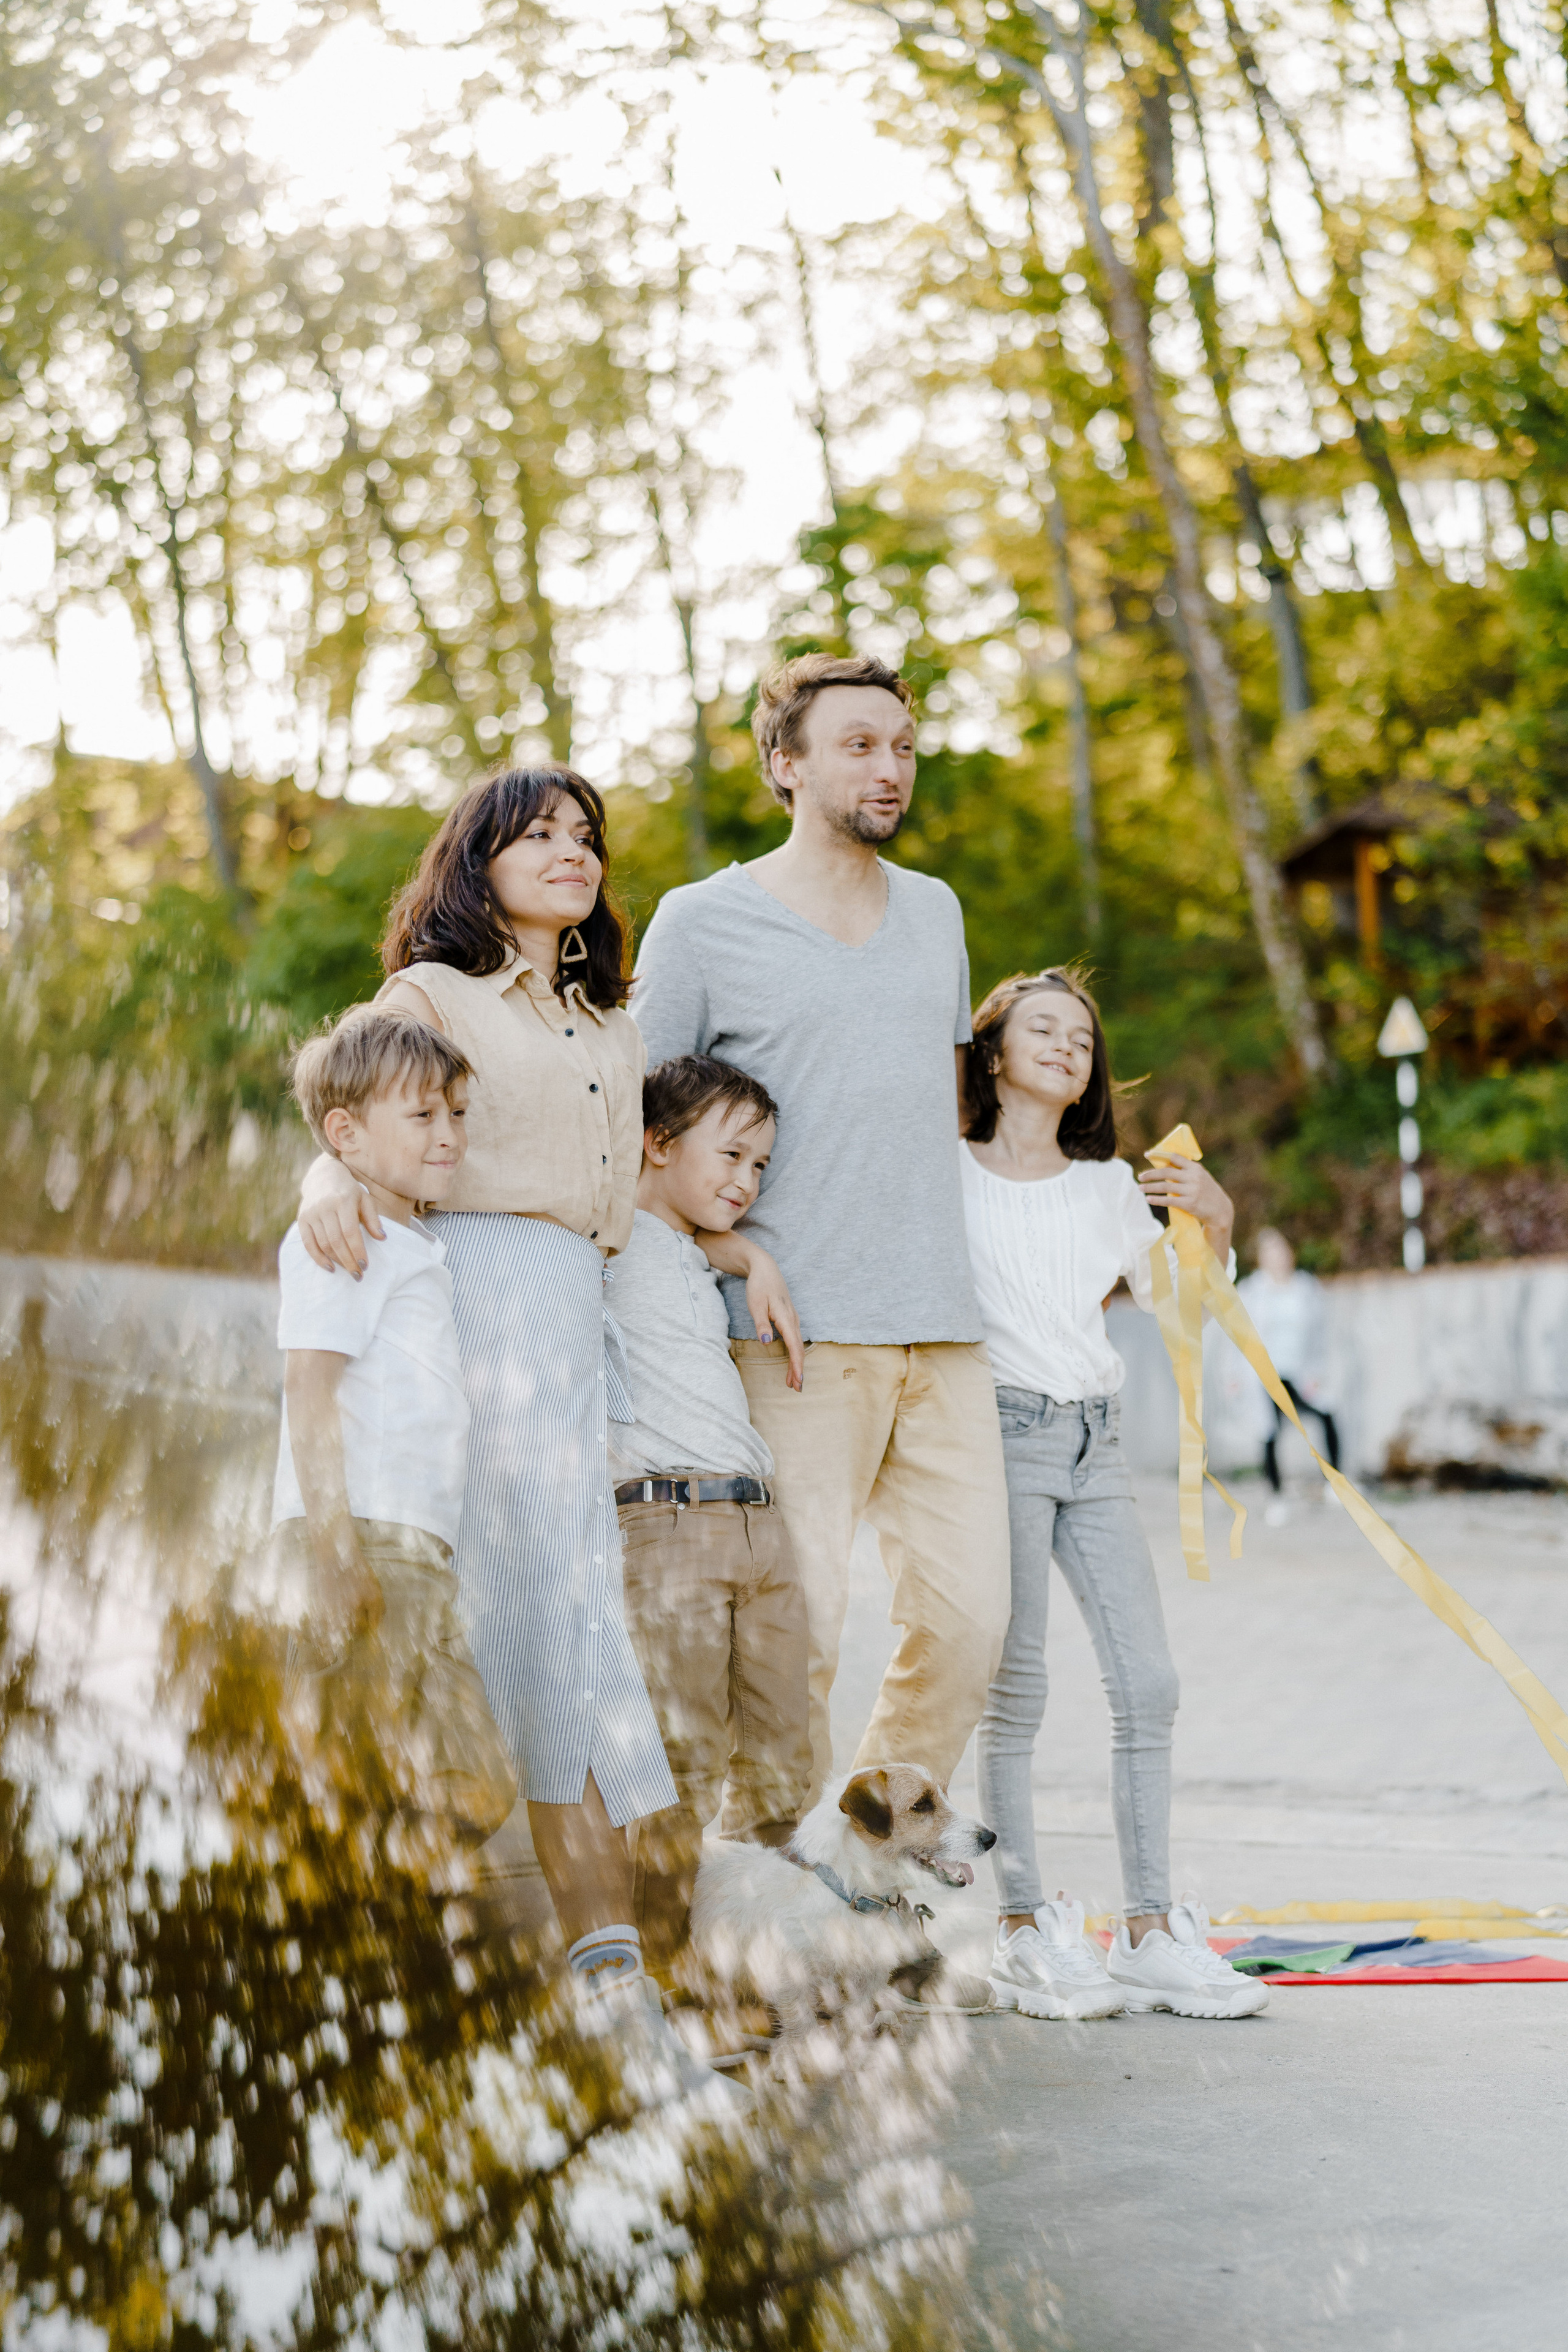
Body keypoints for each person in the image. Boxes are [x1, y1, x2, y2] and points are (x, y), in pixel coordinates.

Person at [288, 767, 786, 2067]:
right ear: (479, 860)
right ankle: (576, 1972)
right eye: (538, 834)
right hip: (482, 1313)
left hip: (587, 1322)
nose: (571, 852)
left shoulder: (603, 1019)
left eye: (586, 836)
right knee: (535, 1638)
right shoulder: (436, 996)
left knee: (577, 1642)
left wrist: (740, 1257)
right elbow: (356, 1104)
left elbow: (642, 1193)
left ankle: (605, 1967)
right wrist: (312, 1187)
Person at [630, 654, 1011, 1811]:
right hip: (789, 1342)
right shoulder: (701, 923)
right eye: (859, 744)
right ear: (785, 765)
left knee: (970, 1625)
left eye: (902, 745)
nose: (890, 767)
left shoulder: (937, 912)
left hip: (944, 1333)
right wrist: (730, 1252)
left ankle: (871, 1862)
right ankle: (759, 1911)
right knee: (799, 1644)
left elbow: (940, 1116)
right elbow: (636, 1142)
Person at [962, 968, 1267, 2022]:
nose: (1064, 1047)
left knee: (1150, 1685)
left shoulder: (1106, 1185)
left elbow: (1181, 1312)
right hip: (997, 1438)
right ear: (992, 1051)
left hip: (1095, 1442)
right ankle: (1021, 1930)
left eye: (1081, 1039)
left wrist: (1216, 1222)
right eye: (1040, 1029)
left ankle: (1146, 1931)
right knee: (1019, 1691)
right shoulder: (944, 1173)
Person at [273, 1010, 516, 1844]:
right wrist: (334, 1554)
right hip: (364, 1541)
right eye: (422, 1116)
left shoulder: (416, 1240)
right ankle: (354, 1914)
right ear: (345, 1133)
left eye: (456, 1113)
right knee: (391, 1770)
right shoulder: (345, 1237)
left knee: (445, 1774)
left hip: (417, 1552)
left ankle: (381, 1902)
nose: (449, 1135)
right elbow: (309, 1390)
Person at [609, 1052, 812, 1995]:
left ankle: (743, 1948)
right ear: (655, 1144)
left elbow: (702, 1237)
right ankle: (662, 1969)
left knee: (781, 1760)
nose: (747, 1182)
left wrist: (751, 1251)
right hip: (668, 1523)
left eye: (761, 1167)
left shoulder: (692, 1247)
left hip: (758, 1524)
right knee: (682, 1761)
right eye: (731, 1157)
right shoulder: (602, 1235)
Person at [1237, 1227, 1340, 1524]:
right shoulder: (1252, 1291)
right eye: (1271, 1252)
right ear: (1261, 1259)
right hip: (1265, 1373)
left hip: (1300, 1371)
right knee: (1269, 1433)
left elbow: (1320, 1332)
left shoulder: (1306, 1287)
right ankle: (1276, 1496)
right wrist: (1233, 1374)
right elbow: (1239, 1335)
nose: (1279, 1257)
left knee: (1326, 1415)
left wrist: (1319, 1369)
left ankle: (1334, 1482)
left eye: (1282, 1250)